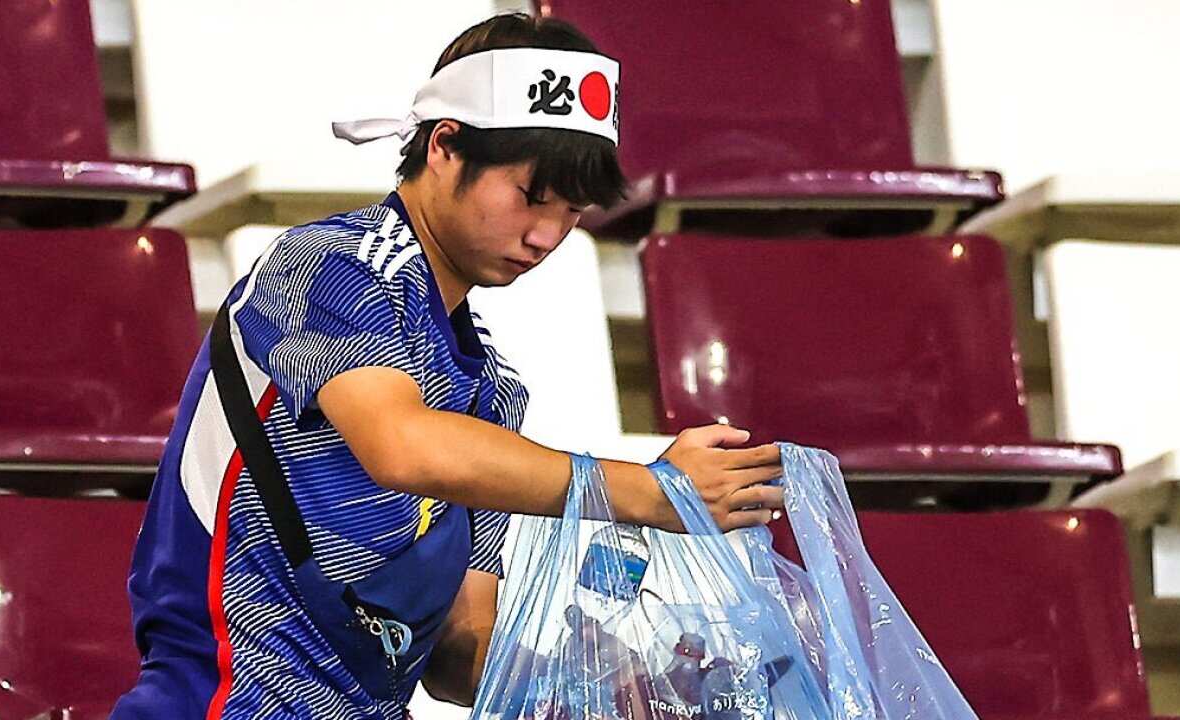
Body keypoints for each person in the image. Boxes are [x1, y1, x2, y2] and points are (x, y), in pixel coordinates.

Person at [112, 13, 783, 720]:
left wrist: (607, 692)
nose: (546, 235)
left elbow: (458, 653)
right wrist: (647, 491)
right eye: (532, 196)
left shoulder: (489, 394)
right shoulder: (327, 266)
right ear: (444, 148)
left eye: (573, 211)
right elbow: (401, 446)